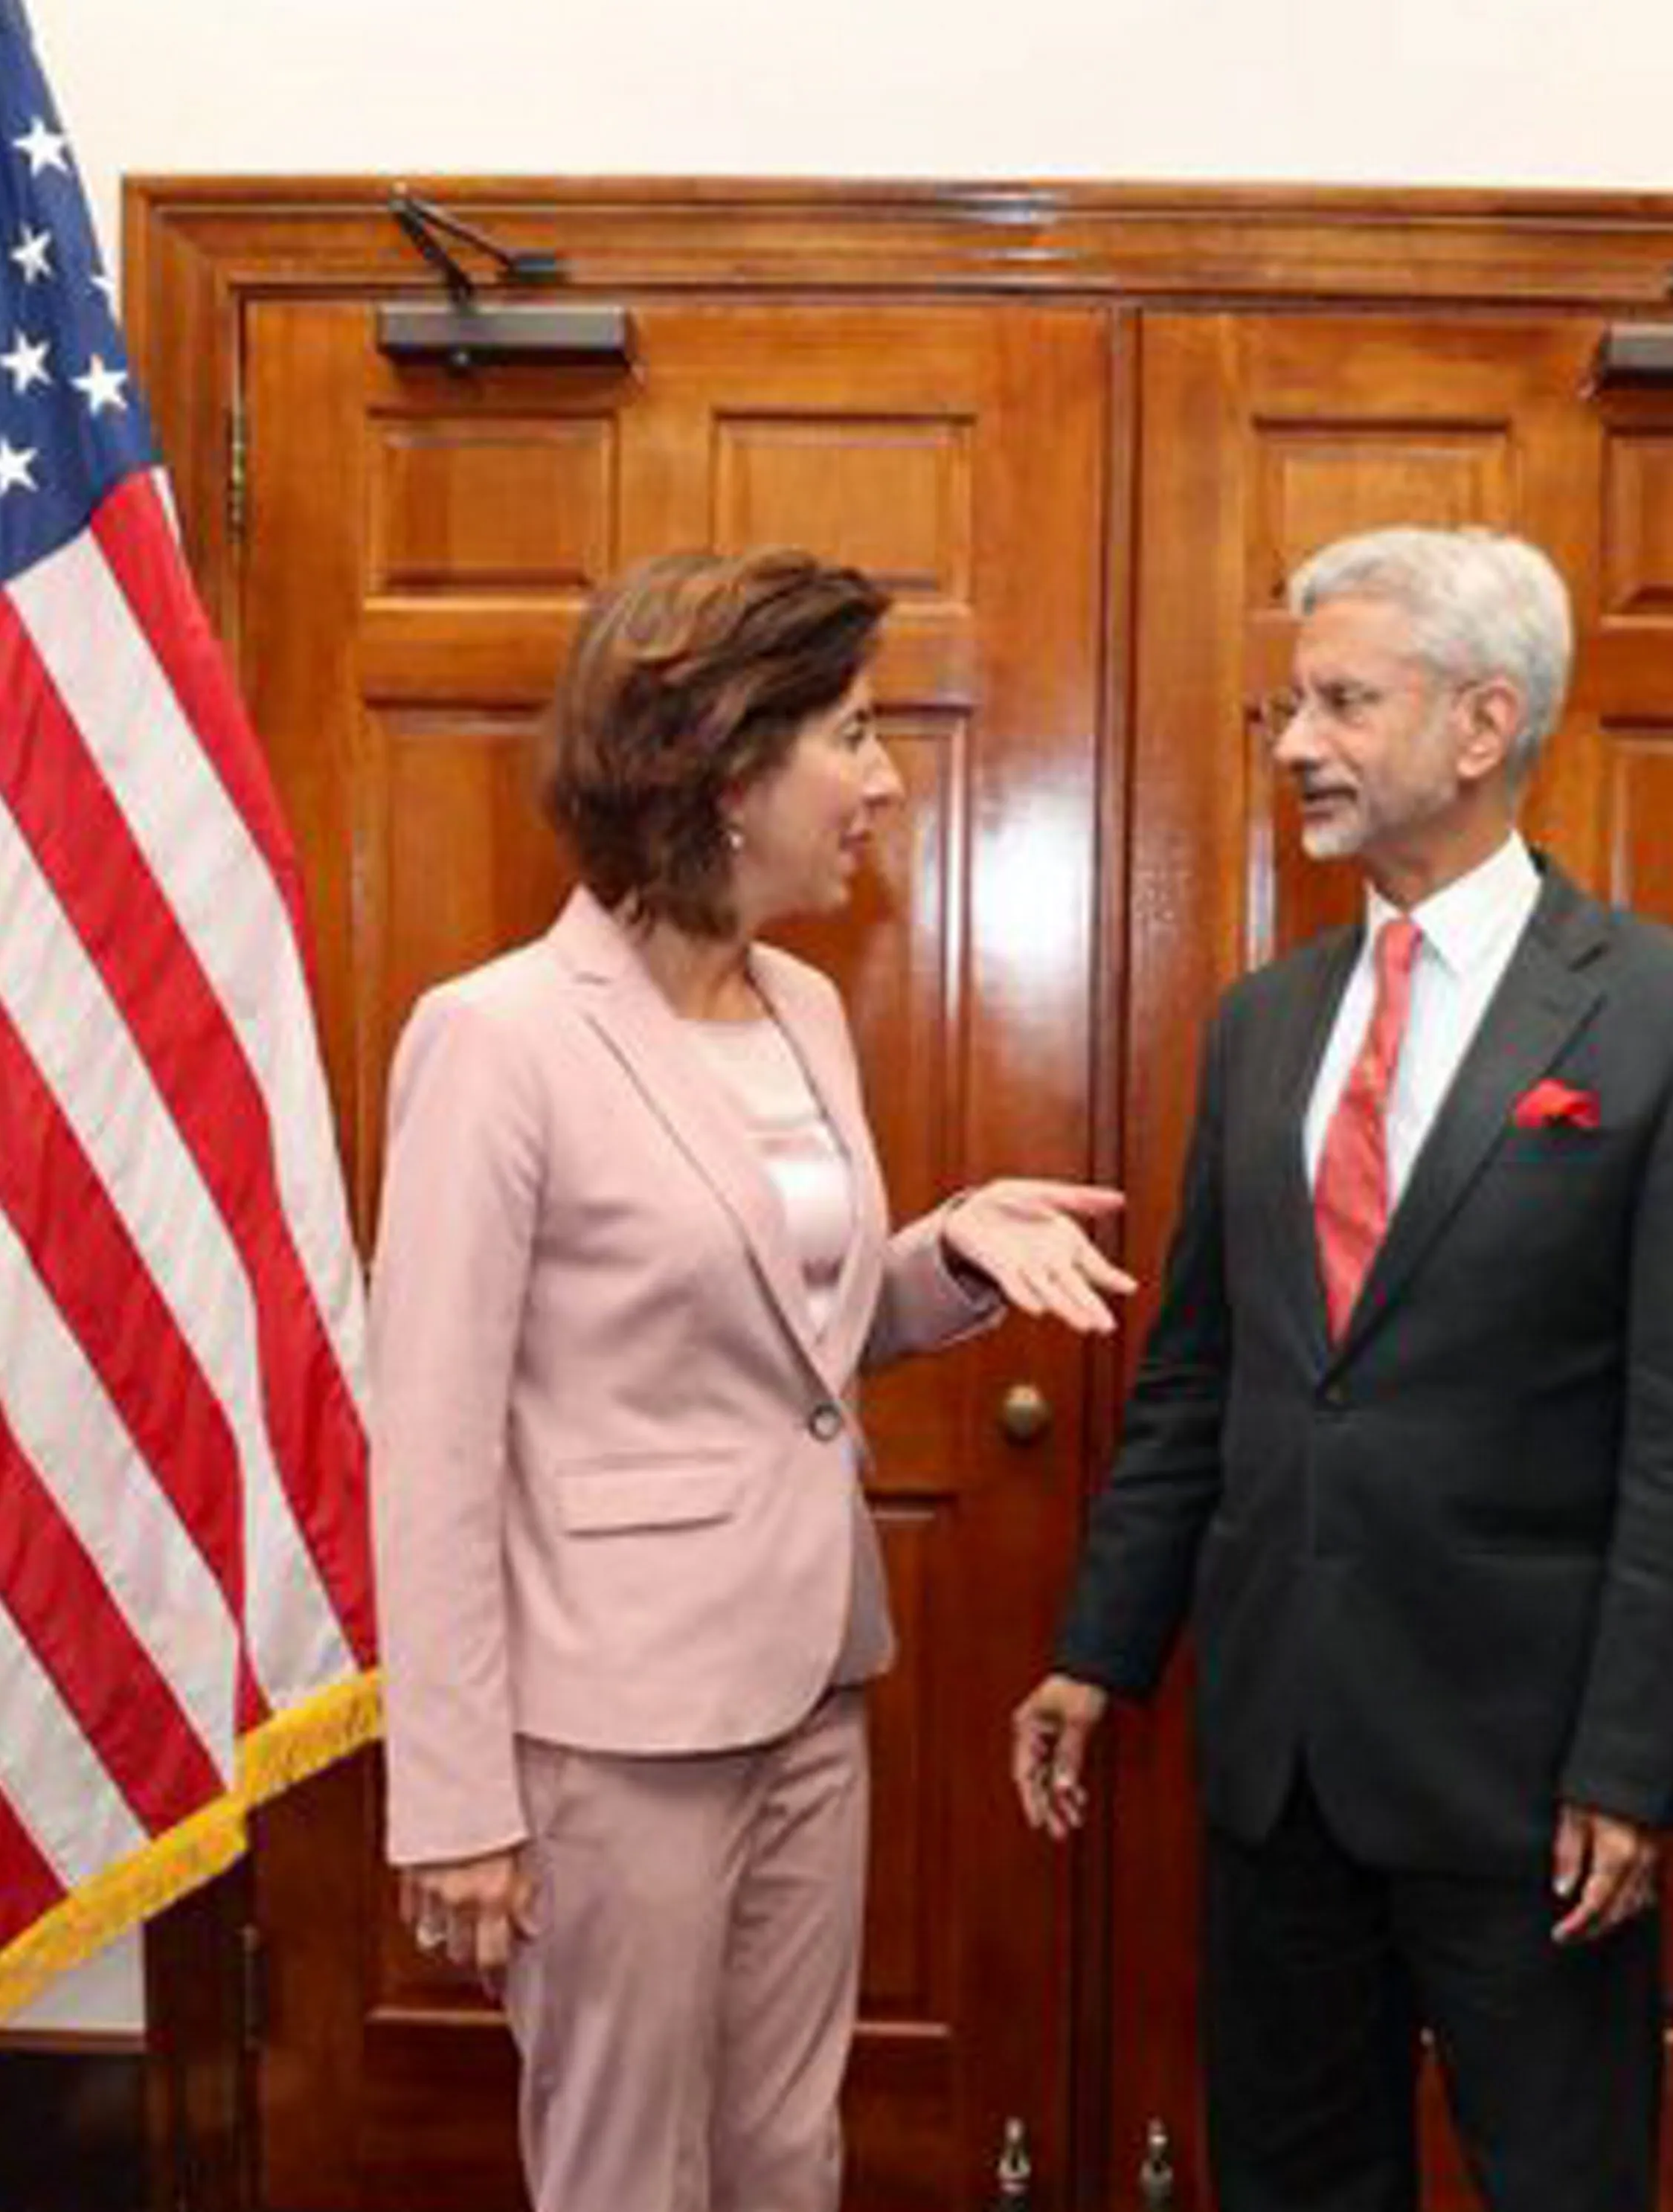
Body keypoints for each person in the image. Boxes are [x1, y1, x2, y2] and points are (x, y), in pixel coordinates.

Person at [1012, 526, 1673, 2212]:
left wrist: (1630, 1765)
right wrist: (1103, 1647)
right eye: (1294, 704)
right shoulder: (1263, 1023)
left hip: (1527, 1773)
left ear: (1482, 720)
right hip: (1277, 1753)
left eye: (1343, 699)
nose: (1297, 742)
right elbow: (1200, 1375)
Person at [372, 547, 1133, 2212]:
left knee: (788, 2154)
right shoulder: (496, 1037)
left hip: (812, 1677)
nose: (880, 778)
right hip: (608, 1720)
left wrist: (946, 1251)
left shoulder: (799, 1003)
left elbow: (788, 1330)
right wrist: (452, 1796)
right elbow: (424, 1440)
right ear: (729, 768)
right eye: (850, 734)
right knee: (626, 2171)